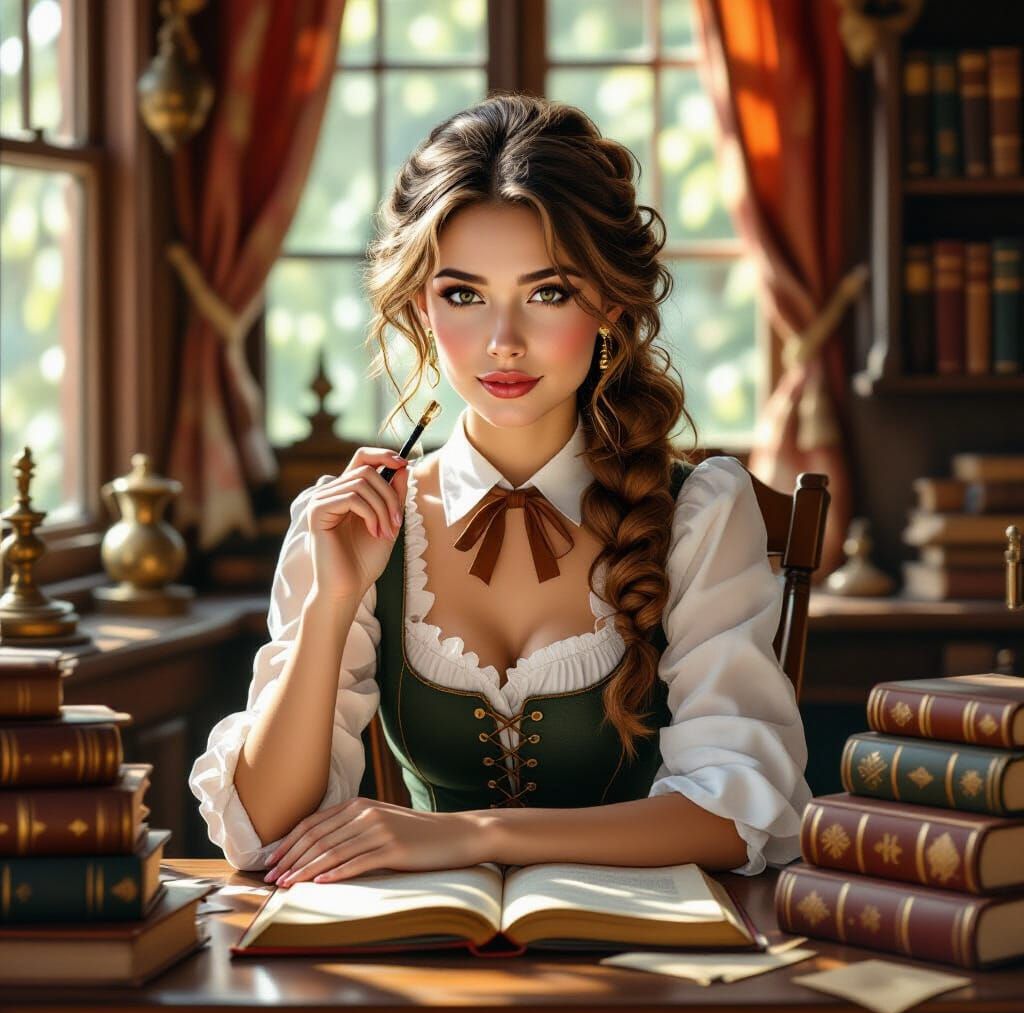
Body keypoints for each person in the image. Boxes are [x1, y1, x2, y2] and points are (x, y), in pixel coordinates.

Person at [189, 93, 810, 888]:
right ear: (421, 303)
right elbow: (263, 832)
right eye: (463, 294)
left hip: (652, 965)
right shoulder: (354, 520)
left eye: (547, 292)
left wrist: (471, 835)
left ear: (610, 304)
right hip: (419, 964)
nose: (503, 341)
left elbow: (736, 813)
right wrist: (330, 602)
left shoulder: (700, 512)